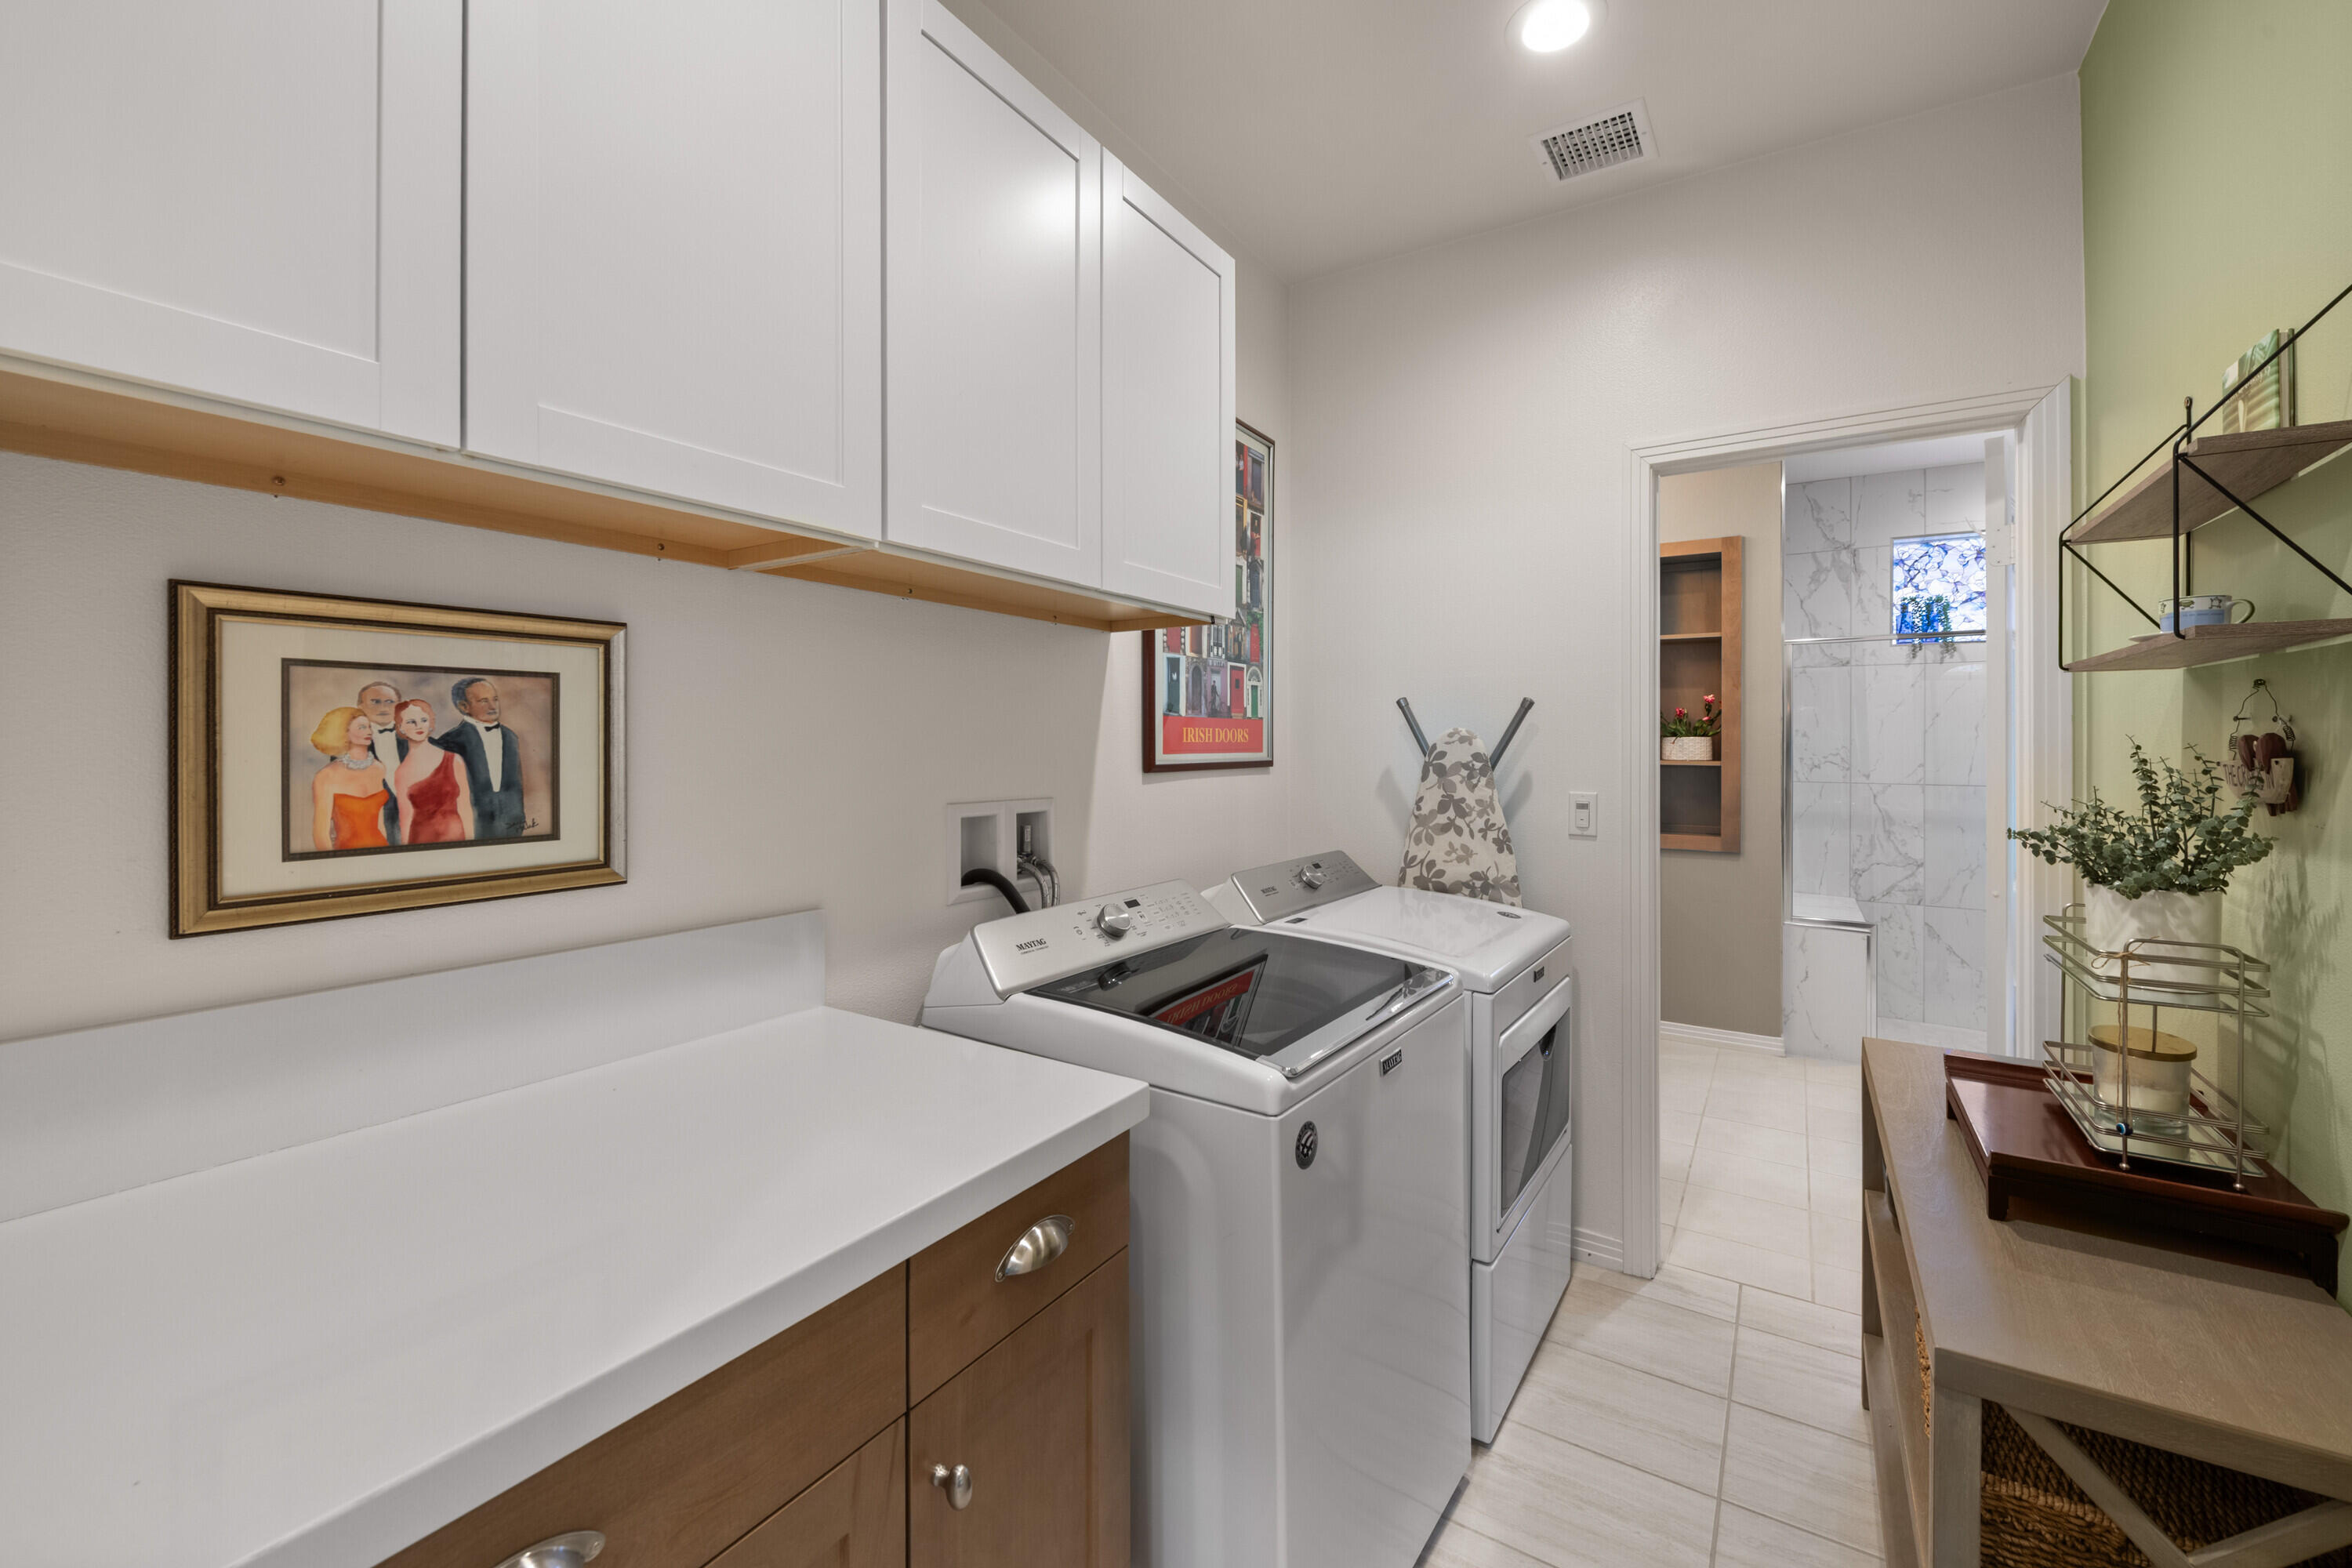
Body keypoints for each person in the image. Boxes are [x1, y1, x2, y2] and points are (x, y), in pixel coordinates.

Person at [433, 677, 526, 838]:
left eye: (495, 699)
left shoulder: (510, 737)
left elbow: (516, 785)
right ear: (464, 706)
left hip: (512, 823)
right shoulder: (450, 741)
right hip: (472, 824)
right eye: (484, 701)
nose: (493, 706)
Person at [390, 699, 474, 844]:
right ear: (401, 727)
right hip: (422, 840)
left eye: (423, 720)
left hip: (456, 838)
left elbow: (465, 807)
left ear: (430, 722)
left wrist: (471, 843)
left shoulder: (454, 760)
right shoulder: (402, 772)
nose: (419, 726)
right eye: (411, 722)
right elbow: (406, 819)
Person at [308, 706, 390, 852]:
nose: (369, 732)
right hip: (346, 854)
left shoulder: (379, 769)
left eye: (369, 727)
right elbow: (321, 834)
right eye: (361, 727)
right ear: (344, 734)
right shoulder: (326, 776)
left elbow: (380, 825)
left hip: (380, 849)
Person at [357, 680, 406, 842]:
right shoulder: (348, 745)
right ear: (360, 707)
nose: (383, 708)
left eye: (390, 702)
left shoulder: (416, 738)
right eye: (375, 702)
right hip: (373, 823)